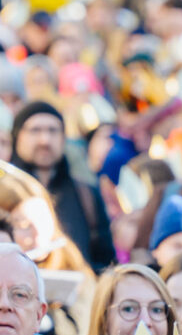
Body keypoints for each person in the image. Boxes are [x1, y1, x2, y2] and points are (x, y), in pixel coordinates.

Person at [12, 100, 115, 273]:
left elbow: (105, 259)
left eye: (53, 131)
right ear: (17, 136)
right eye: (35, 130)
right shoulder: (2, 193)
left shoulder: (86, 194)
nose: (45, 140)